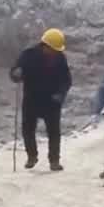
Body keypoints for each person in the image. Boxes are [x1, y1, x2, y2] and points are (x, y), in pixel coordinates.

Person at [9, 28, 72, 171]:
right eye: (54, 50)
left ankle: (54, 161)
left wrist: (60, 95)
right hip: (32, 98)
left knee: (54, 132)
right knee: (28, 129)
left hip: (52, 100)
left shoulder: (60, 58)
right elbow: (14, 72)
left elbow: (66, 80)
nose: (56, 53)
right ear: (45, 46)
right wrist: (16, 74)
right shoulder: (28, 55)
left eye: (58, 50)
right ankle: (32, 156)